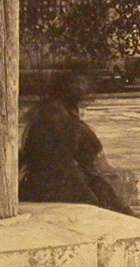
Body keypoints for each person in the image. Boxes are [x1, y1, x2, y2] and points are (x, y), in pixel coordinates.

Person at [19, 72, 133, 213]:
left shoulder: (55, 111)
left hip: (56, 174)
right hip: (52, 179)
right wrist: (91, 198)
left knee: (104, 190)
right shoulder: (56, 115)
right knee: (100, 195)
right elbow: (64, 165)